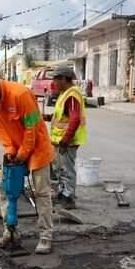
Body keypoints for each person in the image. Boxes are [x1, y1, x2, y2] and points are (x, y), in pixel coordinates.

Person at [0, 71, 55, 254]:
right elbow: (0, 127)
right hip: (14, 150)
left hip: (38, 148)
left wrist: (23, 154)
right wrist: (9, 150)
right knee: (5, 189)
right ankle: (10, 232)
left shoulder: (20, 94)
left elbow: (32, 128)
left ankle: (45, 237)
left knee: (41, 193)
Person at [49, 67, 87, 209]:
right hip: (61, 140)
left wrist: (65, 140)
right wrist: (46, 118)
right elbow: (62, 117)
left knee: (66, 170)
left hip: (67, 141)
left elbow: (74, 119)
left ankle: (68, 197)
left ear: (64, 79)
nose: (54, 82)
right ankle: (63, 193)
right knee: (60, 169)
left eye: (56, 79)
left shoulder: (71, 95)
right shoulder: (65, 93)